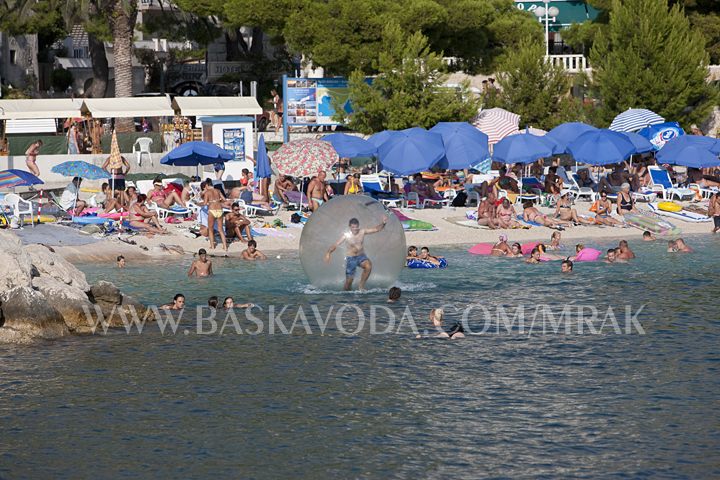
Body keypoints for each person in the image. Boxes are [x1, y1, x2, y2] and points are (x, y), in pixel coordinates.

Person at [325, 216, 388, 291]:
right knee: (349, 283)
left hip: (361, 256)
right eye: (353, 227)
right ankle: (345, 294)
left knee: (368, 266)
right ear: (349, 227)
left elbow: (376, 229)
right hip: (351, 259)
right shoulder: (346, 235)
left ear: (358, 226)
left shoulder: (362, 231)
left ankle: (361, 286)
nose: (355, 229)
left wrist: (383, 223)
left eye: (356, 227)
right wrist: (328, 253)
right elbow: (335, 244)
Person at [200, 178, 228, 251]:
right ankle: (225, 247)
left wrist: (198, 203)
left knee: (211, 229)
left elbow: (205, 203)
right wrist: (218, 200)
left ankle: (212, 246)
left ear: (206, 185)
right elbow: (224, 199)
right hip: (219, 210)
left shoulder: (207, 192)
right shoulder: (218, 191)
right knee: (221, 230)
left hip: (212, 210)